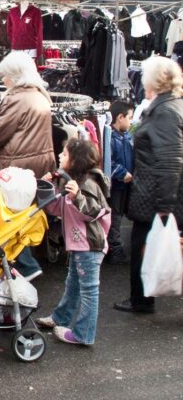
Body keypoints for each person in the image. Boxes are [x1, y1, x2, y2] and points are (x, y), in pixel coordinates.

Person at [115, 56, 183, 314]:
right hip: (155, 193)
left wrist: (165, 205)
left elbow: (169, 159)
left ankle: (141, 300)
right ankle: (142, 298)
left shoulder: (166, 111)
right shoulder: (168, 106)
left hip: (156, 195)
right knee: (145, 245)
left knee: (145, 245)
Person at [0, 51, 55, 281]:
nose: (3, 80)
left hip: (16, 165)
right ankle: (26, 262)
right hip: (39, 163)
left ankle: (26, 265)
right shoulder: (41, 95)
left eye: (5, 76)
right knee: (27, 216)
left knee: (10, 218)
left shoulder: (16, 99)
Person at [36, 139, 110, 346]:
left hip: (89, 245)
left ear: (76, 160)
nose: (60, 156)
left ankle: (83, 334)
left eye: (65, 154)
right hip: (79, 245)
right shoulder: (73, 182)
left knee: (88, 290)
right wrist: (46, 187)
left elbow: (96, 211)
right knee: (73, 284)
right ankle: (61, 318)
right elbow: (57, 208)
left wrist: (77, 196)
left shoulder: (88, 184)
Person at [106, 100, 135, 264]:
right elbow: (107, 162)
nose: (131, 121)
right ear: (120, 117)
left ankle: (115, 248)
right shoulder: (110, 137)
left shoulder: (126, 135)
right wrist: (122, 173)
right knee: (115, 217)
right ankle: (115, 250)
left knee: (119, 215)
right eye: (129, 118)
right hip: (116, 185)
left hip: (124, 184)